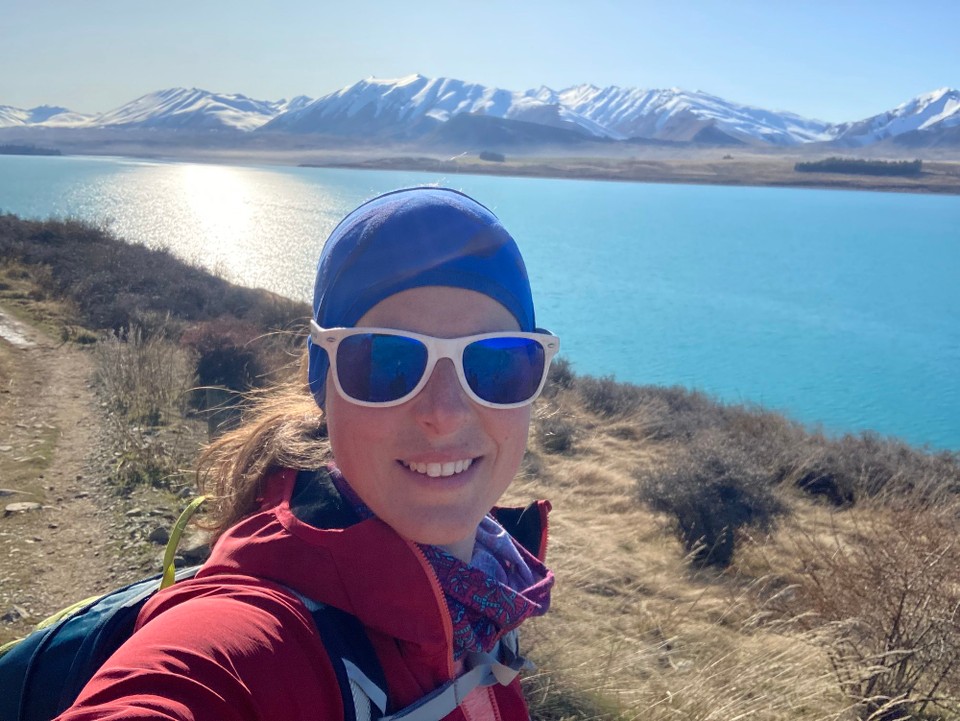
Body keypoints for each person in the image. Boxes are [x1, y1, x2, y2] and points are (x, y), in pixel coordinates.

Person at [56, 187, 559, 720]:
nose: (445, 412)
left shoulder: (491, 592)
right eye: (387, 362)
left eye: (497, 364)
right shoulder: (256, 639)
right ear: (325, 381)